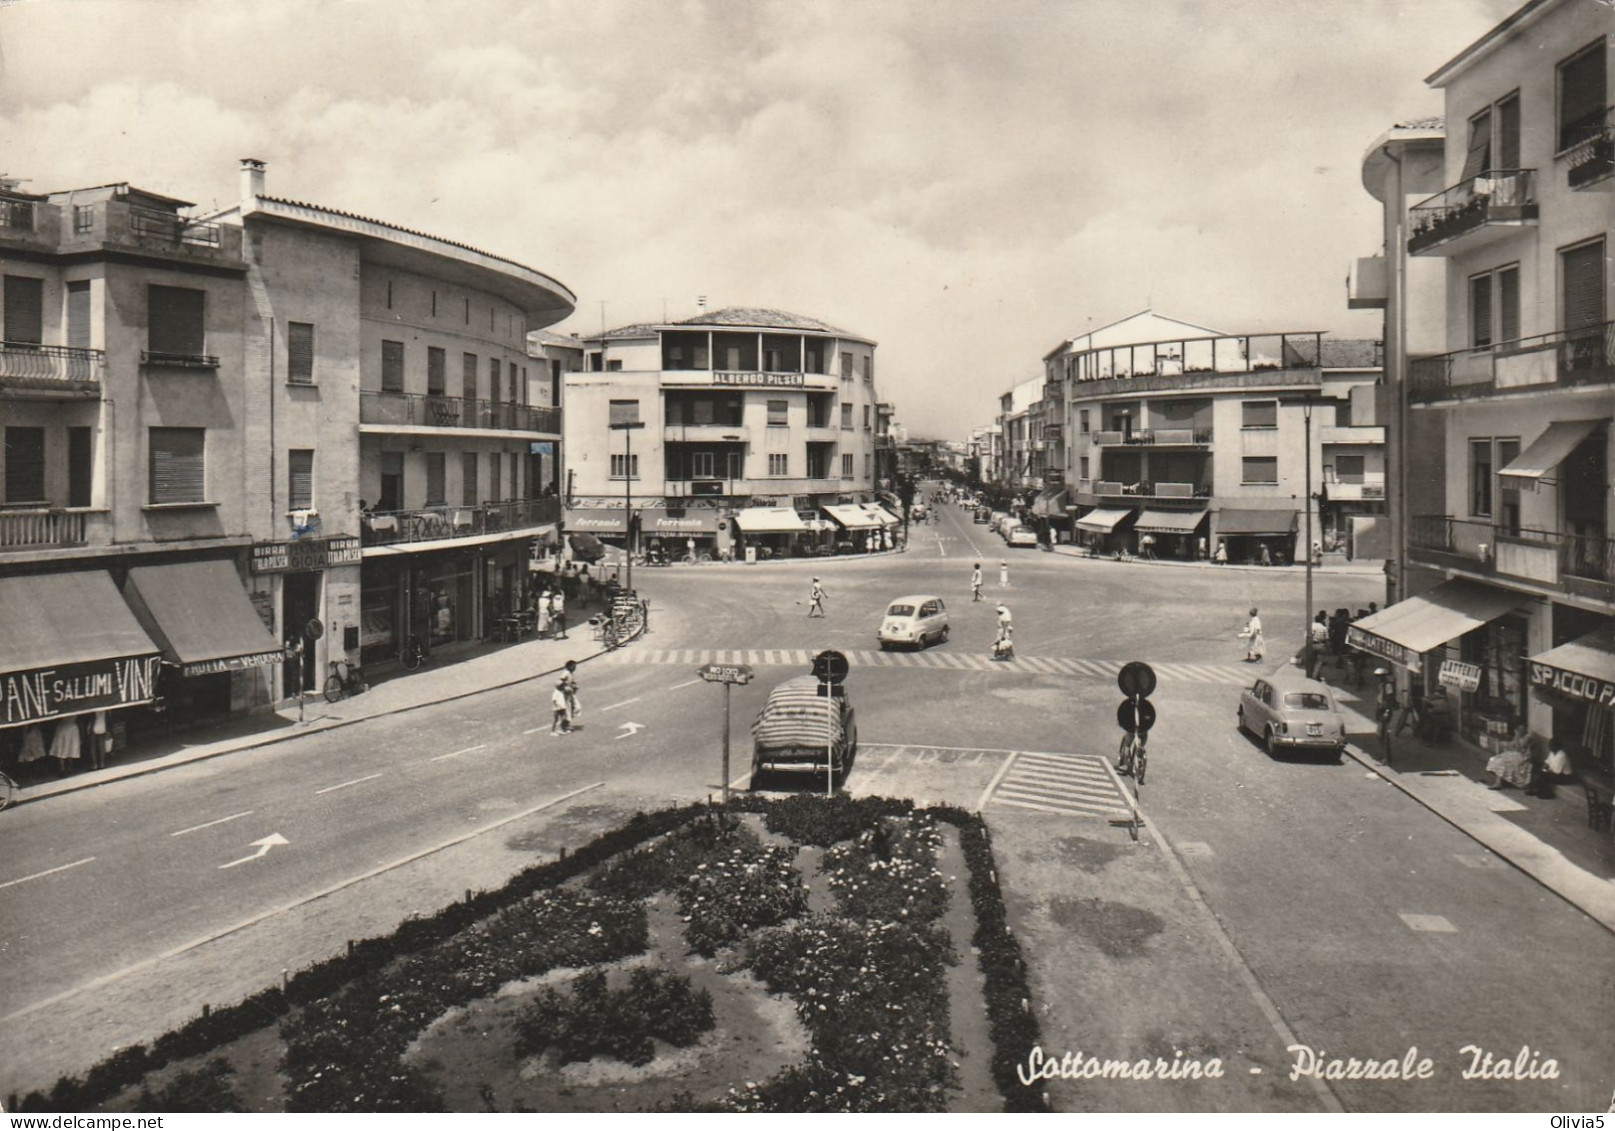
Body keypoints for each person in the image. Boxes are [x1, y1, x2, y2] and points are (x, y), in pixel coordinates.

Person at [1486, 725, 1535, 790]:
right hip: (1515, 755)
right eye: (1519, 729)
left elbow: (1518, 748)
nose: (1521, 730)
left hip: (1523, 757)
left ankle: (1499, 783)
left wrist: (1517, 736)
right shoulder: (1518, 736)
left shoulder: (1528, 737)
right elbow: (1512, 745)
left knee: (1502, 761)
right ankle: (1499, 781)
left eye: (1522, 729)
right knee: (1495, 759)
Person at [560, 659, 581, 724]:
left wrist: (574, 685)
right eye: (573, 666)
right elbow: (561, 681)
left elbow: (571, 681)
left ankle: (568, 719)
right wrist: (564, 687)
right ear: (569, 666)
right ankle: (566, 723)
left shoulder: (570, 673)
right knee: (569, 708)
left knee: (576, 707)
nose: (575, 668)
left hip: (570, 693)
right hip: (566, 693)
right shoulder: (566, 673)